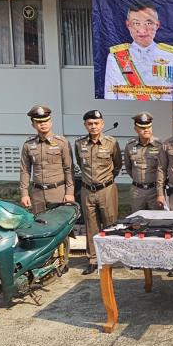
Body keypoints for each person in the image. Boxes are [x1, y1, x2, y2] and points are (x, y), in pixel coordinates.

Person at [103, 1, 173, 101]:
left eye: (148, 23)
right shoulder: (115, 56)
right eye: (136, 23)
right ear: (128, 25)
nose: (142, 30)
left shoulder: (172, 56)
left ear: (157, 25)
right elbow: (110, 94)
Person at [74, 110, 121, 274]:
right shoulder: (79, 144)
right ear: (85, 125)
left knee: (110, 224)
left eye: (96, 123)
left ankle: (109, 258)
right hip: (87, 190)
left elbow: (118, 165)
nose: (93, 126)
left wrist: (106, 181)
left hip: (106, 189)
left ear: (102, 124)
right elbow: (80, 163)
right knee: (90, 226)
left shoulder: (111, 143)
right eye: (90, 124)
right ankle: (93, 259)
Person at [18, 105, 74, 214]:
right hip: (37, 194)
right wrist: (24, 194)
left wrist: (70, 193)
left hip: (58, 193)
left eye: (46, 121)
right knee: (39, 222)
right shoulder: (28, 145)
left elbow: (69, 169)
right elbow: (25, 171)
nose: (43, 124)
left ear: (51, 122)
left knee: (59, 222)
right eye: (39, 122)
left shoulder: (62, 143)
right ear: (33, 124)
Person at [124, 112, 163, 212]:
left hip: (154, 190)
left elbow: (163, 169)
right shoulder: (130, 145)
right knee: (137, 219)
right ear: (135, 129)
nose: (146, 130)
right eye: (142, 128)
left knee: (156, 219)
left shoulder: (159, 145)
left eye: (149, 127)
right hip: (137, 191)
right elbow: (128, 167)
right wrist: (138, 181)